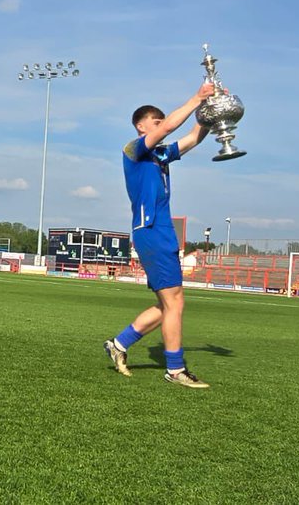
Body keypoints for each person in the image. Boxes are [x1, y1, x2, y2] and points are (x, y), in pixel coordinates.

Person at [103, 81, 216, 389]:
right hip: (151, 229)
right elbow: (167, 127)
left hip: (161, 232)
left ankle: (119, 344)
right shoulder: (134, 149)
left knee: (169, 303)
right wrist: (197, 97)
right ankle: (176, 369)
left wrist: (209, 116)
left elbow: (193, 138)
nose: (159, 125)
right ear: (141, 126)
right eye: (153, 122)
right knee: (175, 302)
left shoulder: (160, 156)